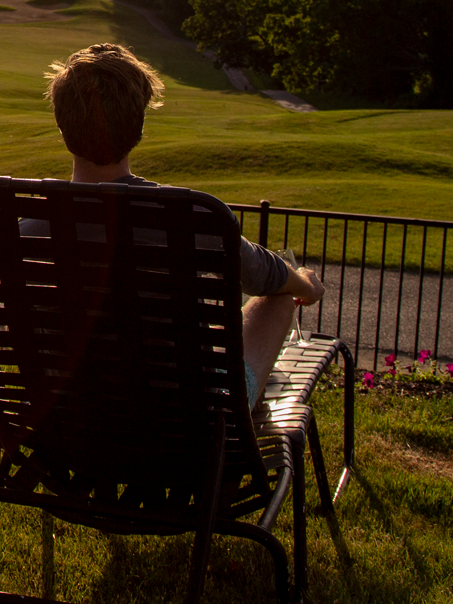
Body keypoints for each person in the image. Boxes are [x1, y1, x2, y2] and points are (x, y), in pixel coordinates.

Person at [31, 42, 325, 408]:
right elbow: (265, 275)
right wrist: (305, 284)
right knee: (280, 299)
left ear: (62, 125)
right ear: (138, 125)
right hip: (189, 422)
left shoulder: (29, 228)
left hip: (65, 417)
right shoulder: (193, 217)